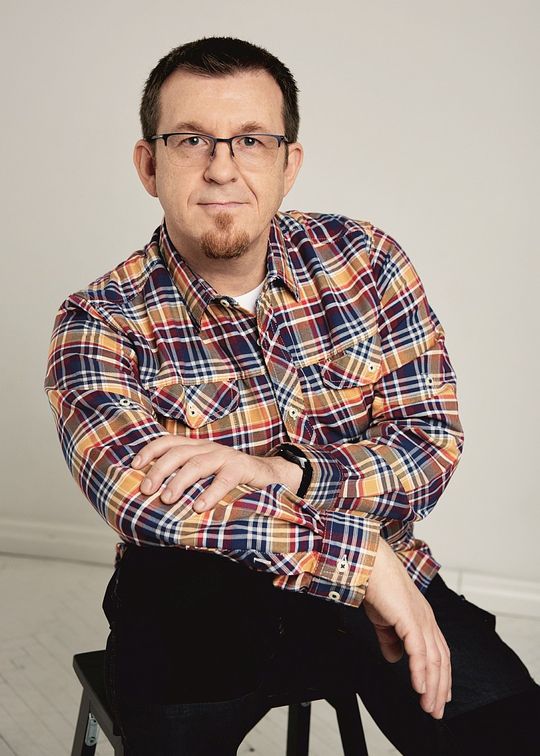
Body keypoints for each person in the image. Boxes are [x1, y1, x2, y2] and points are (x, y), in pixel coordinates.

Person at [44, 36, 539, 755]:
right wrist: (362, 561)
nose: (222, 167)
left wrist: (288, 472)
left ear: (289, 163)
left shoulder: (367, 262)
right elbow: (140, 496)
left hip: (389, 582)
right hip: (198, 616)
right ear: (149, 164)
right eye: (191, 140)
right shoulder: (99, 320)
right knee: (178, 596)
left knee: (512, 734)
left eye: (251, 140)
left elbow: (430, 442)